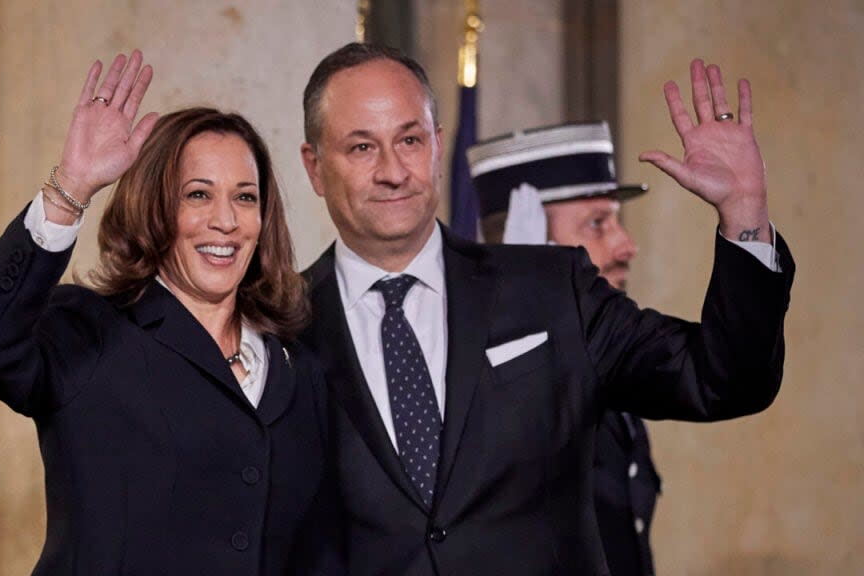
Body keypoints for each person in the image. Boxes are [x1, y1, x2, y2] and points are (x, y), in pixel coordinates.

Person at [298, 42, 793, 575]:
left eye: (410, 140)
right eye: (361, 148)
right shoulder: (276, 327)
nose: (394, 171)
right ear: (315, 167)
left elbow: (722, 379)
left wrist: (745, 213)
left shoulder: (552, 290)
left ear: (438, 147)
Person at [0, 51, 337, 575]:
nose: (225, 220)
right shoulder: (91, 333)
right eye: (197, 195)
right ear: (156, 208)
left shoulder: (298, 371)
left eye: (245, 197)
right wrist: (72, 187)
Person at [467, 121, 664, 575]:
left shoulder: (603, 347)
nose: (626, 246)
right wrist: (522, 301)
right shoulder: (472, 366)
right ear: (534, 240)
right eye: (598, 224)